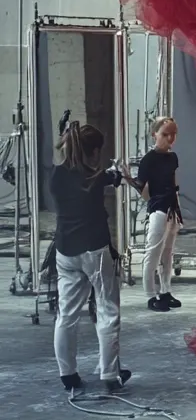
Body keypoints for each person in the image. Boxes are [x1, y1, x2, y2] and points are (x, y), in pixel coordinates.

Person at [50, 121, 132, 392]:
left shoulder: (56, 175)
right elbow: (104, 177)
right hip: (94, 251)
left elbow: (91, 176)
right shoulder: (93, 178)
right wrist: (118, 174)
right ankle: (109, 374)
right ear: (94, 151)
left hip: (65, 250)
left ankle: (67, 375)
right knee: (108, 310)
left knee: (66, 314)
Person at [135, 116, 182, 312]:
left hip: (171, 209)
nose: (170, 138)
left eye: (173, 134)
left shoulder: (172, 157)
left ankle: (165, 290)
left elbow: (174, 183)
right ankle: (150, 295)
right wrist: (155, 203)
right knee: (153, 252)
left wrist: (177, 209)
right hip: (158, 209)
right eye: (165, 134)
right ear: (154, 134)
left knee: (167, 253)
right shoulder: (148, 160)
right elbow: (142, 189)